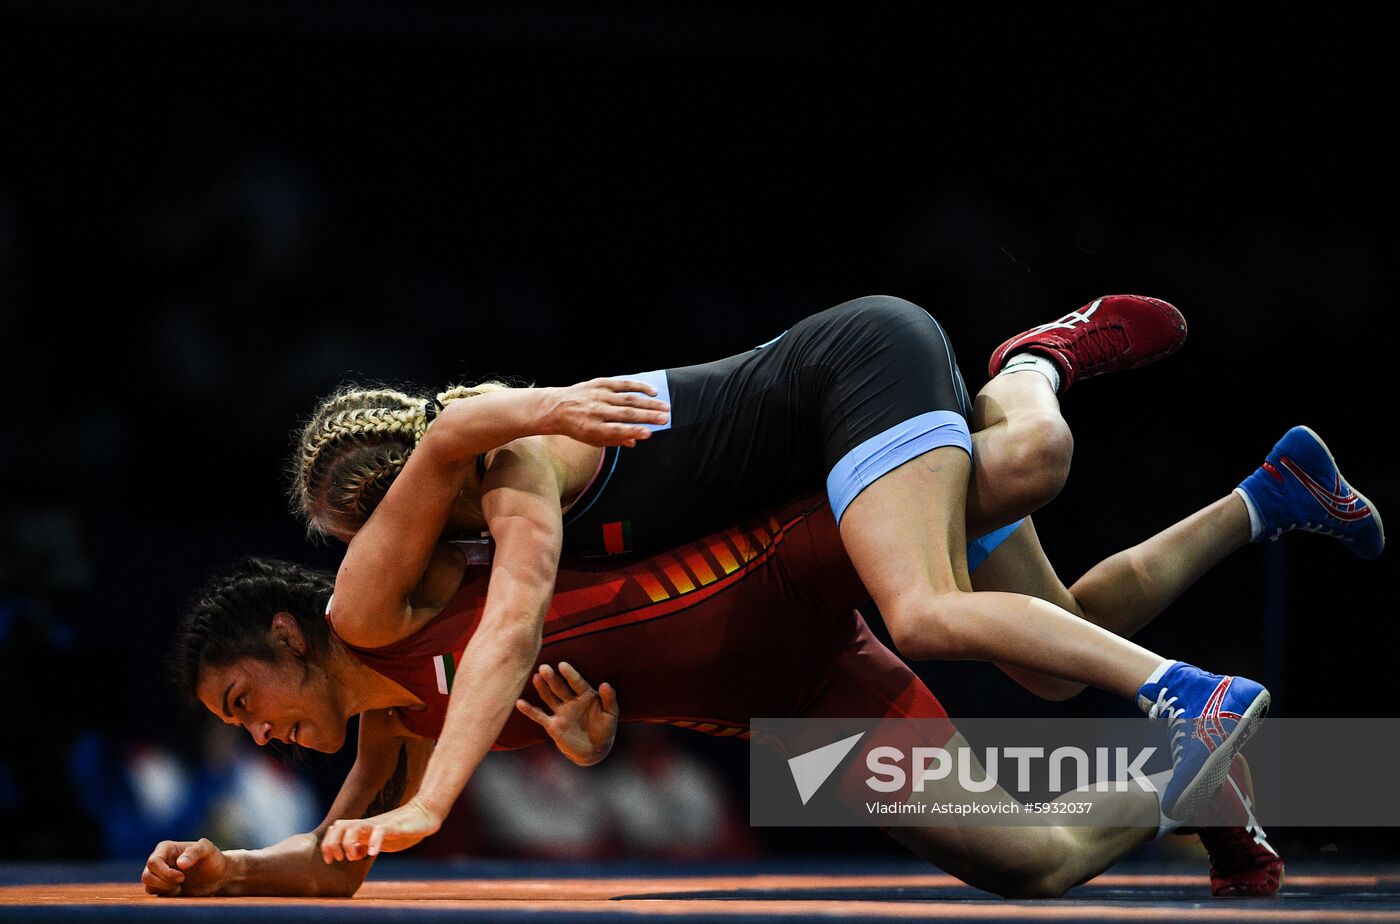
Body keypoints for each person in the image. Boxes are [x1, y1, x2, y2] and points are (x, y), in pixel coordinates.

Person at [289, 295, 1382, 855]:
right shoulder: (455, 545)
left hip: (831, 443)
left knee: (962, 561)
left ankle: (1041, 368)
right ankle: (1267, 497)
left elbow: (514, 627)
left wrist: (433, 803)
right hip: (811, 559)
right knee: (1051, 663)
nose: (369, 563)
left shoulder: (506, 482)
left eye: (366, 533)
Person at [148, 462, 1325, 900]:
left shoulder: (384, 593)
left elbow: (453, 459)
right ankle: (1195, 770)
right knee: (1026, 864)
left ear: (293, 636)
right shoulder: (388, 748)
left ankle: (1031, 373)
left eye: (246, 702)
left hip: (780, 548)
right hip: (793, 699)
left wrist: (519, 415)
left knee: (1017, 485)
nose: (258, 736)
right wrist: (223, 874)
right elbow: (339, 865)